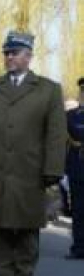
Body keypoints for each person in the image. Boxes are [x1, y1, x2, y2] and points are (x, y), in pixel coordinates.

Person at [0, 31, 67, 276]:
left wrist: (53, 168)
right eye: (6, 53)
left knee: (27, 229)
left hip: (30, 171)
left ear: (29, 56)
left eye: (15, 53)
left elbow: (55, 134)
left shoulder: (48, 90)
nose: (9, 57)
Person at [64, 77, 84, 259]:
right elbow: (63, 141)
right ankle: (78, 247)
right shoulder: (71, 116)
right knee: (78, 209)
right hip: (77, 165)